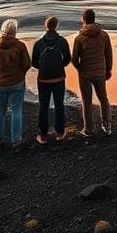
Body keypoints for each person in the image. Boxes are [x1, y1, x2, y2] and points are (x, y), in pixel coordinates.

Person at [0, 18, 31, 149]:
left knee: (0, 111)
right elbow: (27, 64)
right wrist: (20, 74)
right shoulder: (20, 45)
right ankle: (16, 139)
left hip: (0, 83)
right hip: (17, 82)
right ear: (15, 32)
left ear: (2, 31)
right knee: (16, 110)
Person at [71, 8, 113, 137]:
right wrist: (108, 69)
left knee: (86, 101)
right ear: (94, 19)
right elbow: (108, 54)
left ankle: (89, 129)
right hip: (100, 71)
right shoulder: (104, 35)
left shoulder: (79, 38)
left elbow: (74, 59)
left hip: (85, 74)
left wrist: (79, 68)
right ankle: (107, 126)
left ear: (83, 20)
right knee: (103, 99)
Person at [31, 15, 71, 144]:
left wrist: (43, 67)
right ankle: (60, 133)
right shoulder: (62, 41)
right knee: (59, 105)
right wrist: (59, 65)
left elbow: (34, 62)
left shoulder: (38, 42)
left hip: (43, 79)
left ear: (46, 26)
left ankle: (43, 135)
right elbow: (67, 59)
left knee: (43, 106)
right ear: (56, 26)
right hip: (59, 77)